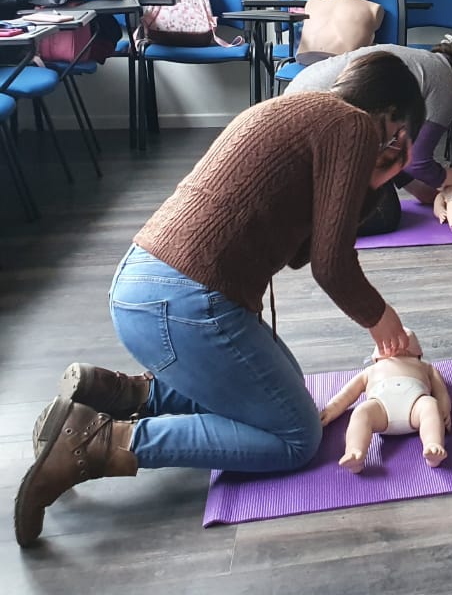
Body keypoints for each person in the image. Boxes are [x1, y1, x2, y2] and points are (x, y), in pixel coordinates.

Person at [14, 51, 427, 549]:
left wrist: (373, 181)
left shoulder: (301, 107)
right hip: (187, 305)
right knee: (297, 436)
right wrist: (383, 321)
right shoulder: (354, 127)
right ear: (394, 121)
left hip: (145, 291)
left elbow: (300, 253)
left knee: (285, 392)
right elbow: (330, 266)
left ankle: (118, 395)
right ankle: (98, 443)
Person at [286, 39, 452, 234]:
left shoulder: (428, 66)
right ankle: (305, 218)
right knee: (384, 215)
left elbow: (395, 145)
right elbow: (419, 161)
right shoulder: (447, 87)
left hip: (299, 99)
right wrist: (442, 176)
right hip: (314, 120)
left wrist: (417, 187)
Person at [319, 331, 452, 472]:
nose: (396, 346)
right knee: (361, 412)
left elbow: (441, 390)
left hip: (416, 404)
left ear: (418, 353)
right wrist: (331, 409)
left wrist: (443, 411)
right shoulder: (370, 370)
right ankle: (354, 452)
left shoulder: (426, 367)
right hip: (380, 407)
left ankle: (433, 446)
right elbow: (348, 393)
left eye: (404, 342)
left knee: (430, 405)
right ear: (375, 356)